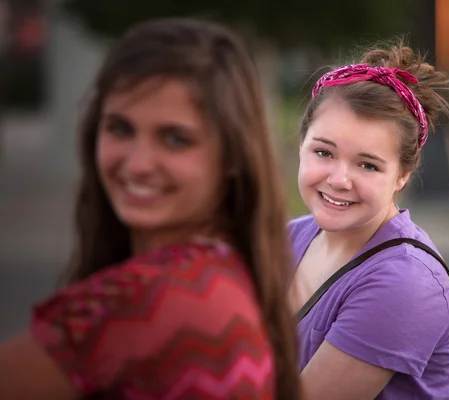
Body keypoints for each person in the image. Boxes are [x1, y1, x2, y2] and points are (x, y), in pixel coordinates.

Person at [0, 18, 300, 400]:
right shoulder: (228, 274)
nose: (138, 163)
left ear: (233, 156)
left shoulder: (150, 300)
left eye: (175, 139)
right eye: (120, 129)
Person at [287, 42, 449, 399]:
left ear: (402, 175)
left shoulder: (405, 282)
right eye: (324, 152)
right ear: (302, 145)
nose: (339, 179)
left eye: (367, 164)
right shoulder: (289, 236)